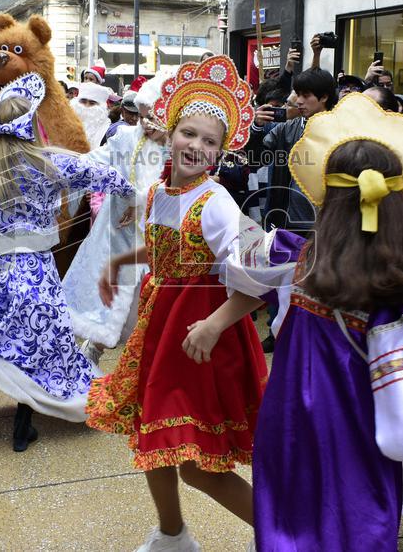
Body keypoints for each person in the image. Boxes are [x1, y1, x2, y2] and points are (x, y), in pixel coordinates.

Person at [246, 95, 403, 550]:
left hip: (290, 432)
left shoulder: (303, 260)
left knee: (289, 534)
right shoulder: (396, 289)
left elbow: (254, 289)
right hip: (350, 442)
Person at [86, 56, 267, 552]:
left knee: (198, 467)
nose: (197, 147)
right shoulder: (164, 191)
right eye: (190, 134)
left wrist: (213, 324)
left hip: (200, 341)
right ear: (170, 131)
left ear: (220, 153)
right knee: (155, 440)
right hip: (163, 328)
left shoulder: (220, 204)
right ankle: (172, 534)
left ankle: (286, 535)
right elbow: (170, 245)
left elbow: (262, 274)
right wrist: (121, 261)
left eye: (210, 142)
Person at [0, 73, 134, 451]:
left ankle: (12, 395)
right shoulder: (50, 162)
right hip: (33, 264)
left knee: (25, 331)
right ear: (32, 123)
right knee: (48, 334)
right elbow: (110, 177)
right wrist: (131, 201)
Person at [64, 75, 169, 364]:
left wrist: (141, 204)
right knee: (102, 296)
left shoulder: (178, 148)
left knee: (144, 304)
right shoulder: (124, 138)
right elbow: (95, 160)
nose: (147, 125)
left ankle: (140, 363)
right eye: (144, 117)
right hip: (114, 235)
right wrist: (61, 163)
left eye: (154, 119)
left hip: (155, 241)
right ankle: (90, 351)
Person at [245, 67, 337, 236]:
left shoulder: (342, 131)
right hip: (286, 220)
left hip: (327, 226)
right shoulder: (287, 129)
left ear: (324, 97)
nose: (299, 101)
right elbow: (255, 160)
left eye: (306, 95)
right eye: (298, 94)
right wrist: (257, 127)